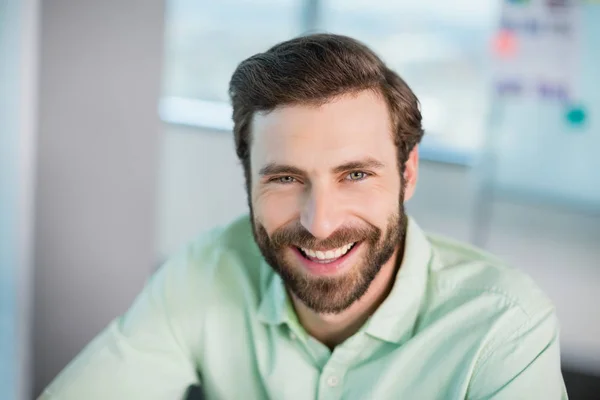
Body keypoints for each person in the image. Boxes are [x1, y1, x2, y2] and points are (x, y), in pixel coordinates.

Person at [40, 34, 567, 400]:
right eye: (285, 178)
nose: (319, 223)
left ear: (407, 174)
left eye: (355, 174)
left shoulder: (503, 326)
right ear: (247, 181)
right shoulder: (205, 271)